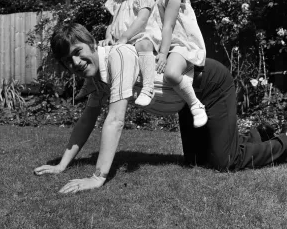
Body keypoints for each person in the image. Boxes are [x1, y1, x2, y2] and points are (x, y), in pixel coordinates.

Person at [34, 23, 287, 194]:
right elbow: (87, 120)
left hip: (209, 83)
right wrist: (61, 165)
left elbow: (115, 120)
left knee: (225, 161)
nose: (76, 62)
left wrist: (98, 177)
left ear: (90, 43)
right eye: (68, 61)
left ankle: (282, 143)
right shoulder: (95, 78)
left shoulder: (118, 57)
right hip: (185, 99)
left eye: (78, 52)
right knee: (196, 160)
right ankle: (257, 134)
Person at [79, 0, 161, 107]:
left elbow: (142, 19)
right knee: (97, 50)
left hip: (140, 36)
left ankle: (148, 87)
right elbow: (112, 22)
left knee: (144, 44)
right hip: (120, 42)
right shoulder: (115, 0)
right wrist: (109, 37)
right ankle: (90, 84)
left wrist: (125, 37)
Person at [145, 0, 207, 128]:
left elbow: (168, 26)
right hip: (167, 44)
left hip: (181, 43)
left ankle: (195, 104)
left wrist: (163, 54)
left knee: (171, 74)